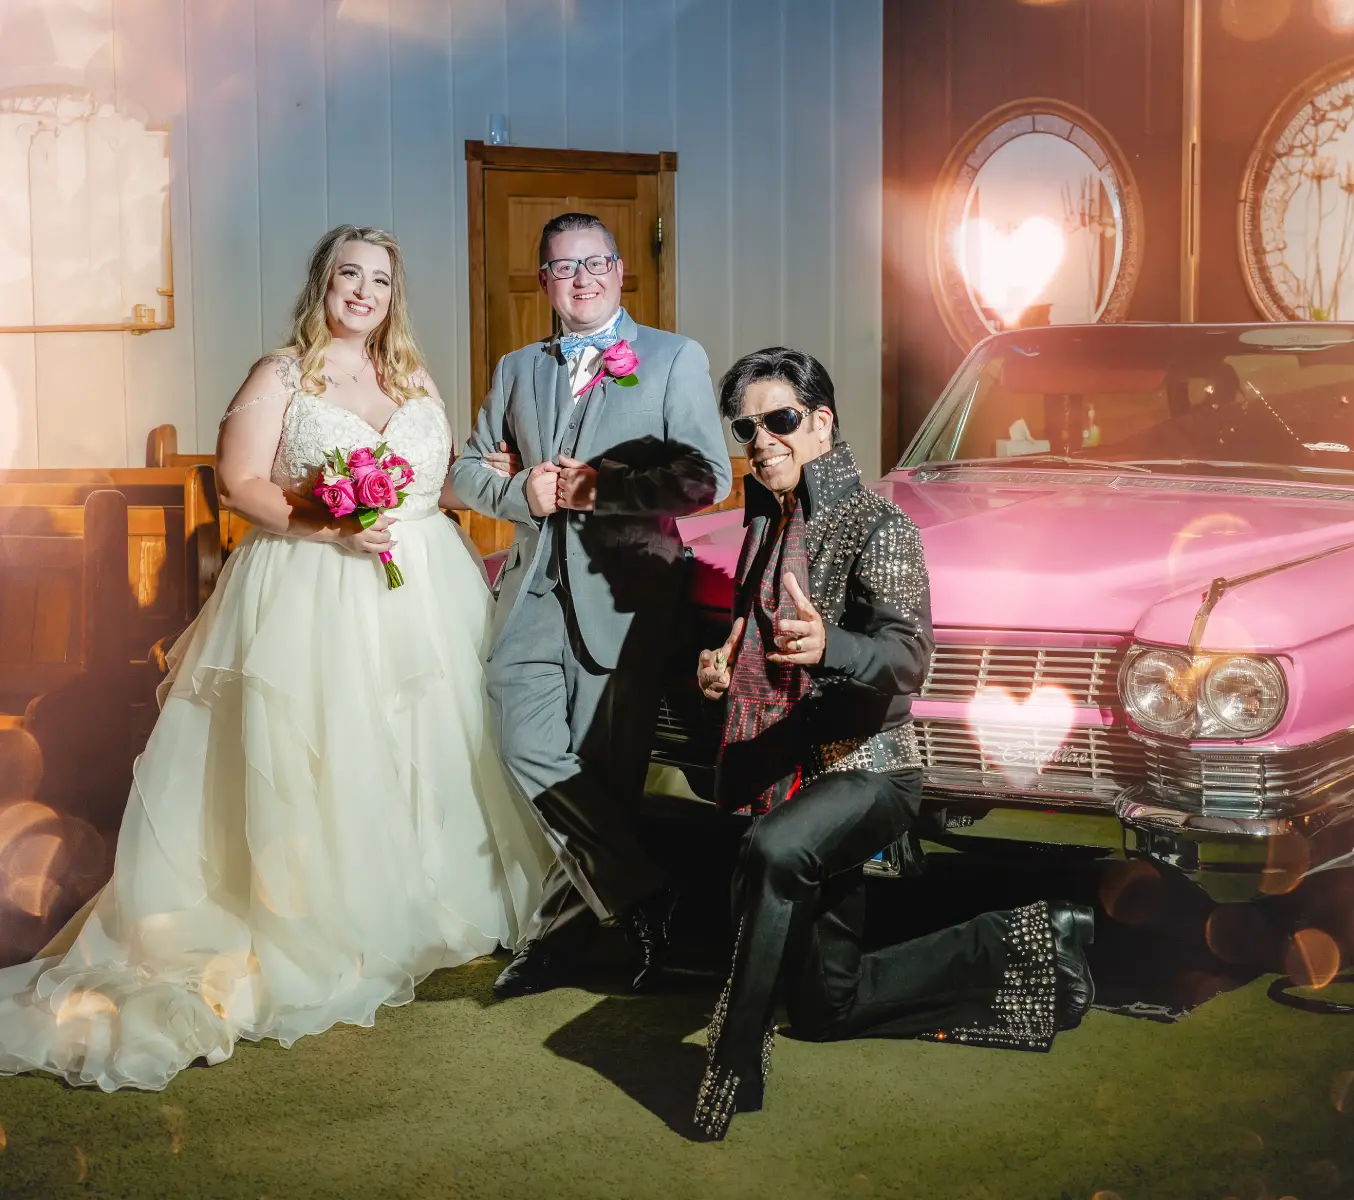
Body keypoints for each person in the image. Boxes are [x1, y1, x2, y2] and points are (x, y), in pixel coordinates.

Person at [0, 225, 552, 1091]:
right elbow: (241, 481)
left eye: (379, 279)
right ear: (322, 284)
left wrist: (506, 482)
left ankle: (424, 898)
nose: (364, 292)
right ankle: (326, 917)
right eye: (349, 275)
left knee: (433, 741)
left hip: (423, 584)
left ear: (393, 295)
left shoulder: (409, 374)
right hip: (315, 583)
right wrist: (329, 524)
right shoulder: (282, 372)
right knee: (328, 744)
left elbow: (434, 479)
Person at [689, 347, 1097, 1140]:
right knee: (826, 1006)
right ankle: (1043, 937)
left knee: (772, 853)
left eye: (779, 421)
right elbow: (753, 639)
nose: (762, 440)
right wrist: (718, 668)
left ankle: (729, 1065)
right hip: (793, 770)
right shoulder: (765, 523)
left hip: (869, 771)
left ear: (821, 423)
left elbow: (909, 658)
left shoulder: (880, 522)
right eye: (747, 428)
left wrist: (831, 648)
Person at [450, 213, 731, 998]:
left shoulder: (674, 358)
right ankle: (647, 895)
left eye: (597, 263)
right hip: (534, 586)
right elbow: (462, 474)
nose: (583, 279)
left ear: (618, 271)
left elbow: (710, 477)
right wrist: (519, 492)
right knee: (523, 739)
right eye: (564, 268)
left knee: (603, 780)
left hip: (629, 597)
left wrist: (601, 489)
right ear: (543, 282)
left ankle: (558, 944)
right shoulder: (515, 369)